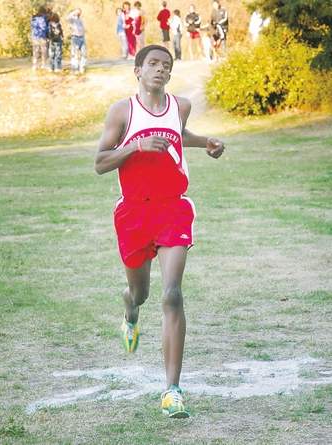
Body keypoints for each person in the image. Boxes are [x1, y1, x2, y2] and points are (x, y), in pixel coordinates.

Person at [94, 44, 225, 418]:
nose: (160, 70)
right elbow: (101, 163)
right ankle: (130, 311)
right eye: (152, 63)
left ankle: (172, 390)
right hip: (134, 212)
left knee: (172, 294)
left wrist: (205, 143)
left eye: (166, 66)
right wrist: (134, 146)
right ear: (137, 70)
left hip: (172, 207)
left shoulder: (180, 105)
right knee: (143, 292)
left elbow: (177, 133)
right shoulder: (121, 111)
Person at [67, 8, 86, 74]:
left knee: (83, 54)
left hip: (82, 37)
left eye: (80, 12)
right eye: (78, 12)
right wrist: (74, 12)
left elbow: (83, 27)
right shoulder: (72, 19)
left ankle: (82, 68)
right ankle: (75, 69)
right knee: (75, 54)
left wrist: (83, 32)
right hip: (75, 37)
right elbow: (68, 18)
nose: (79, 13)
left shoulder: (80, 19)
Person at [31, 6, 49, 70]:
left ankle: (35, 65)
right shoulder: (42, 18)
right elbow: (44, 28)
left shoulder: (33, 18)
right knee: (44, 51)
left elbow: (33, 27)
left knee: (36, 51)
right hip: (42, 37)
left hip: (35, 36)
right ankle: (43, 65)